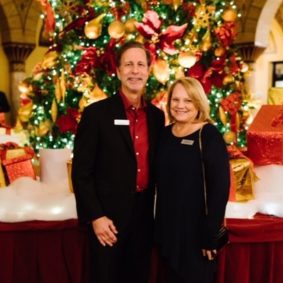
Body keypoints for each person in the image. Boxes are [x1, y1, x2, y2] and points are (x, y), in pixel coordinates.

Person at [72, 41, 165, 283]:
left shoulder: (157, 117)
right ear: (119, 71)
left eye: (141, 65)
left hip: (144, 218)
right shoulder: (96, 115)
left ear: (148, 70)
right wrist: (96, 217)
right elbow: (82, 173)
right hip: (107, 221)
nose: (135, 71)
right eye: (129, 65)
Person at [155, 77, 230, 283]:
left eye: (188, 101)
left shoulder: (208, 135)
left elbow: (220, 188)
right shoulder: (164, 134)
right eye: (175, 100)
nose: (180, 106)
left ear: (199, 103)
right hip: (168, 232)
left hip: (197, 233)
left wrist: (210, 235)